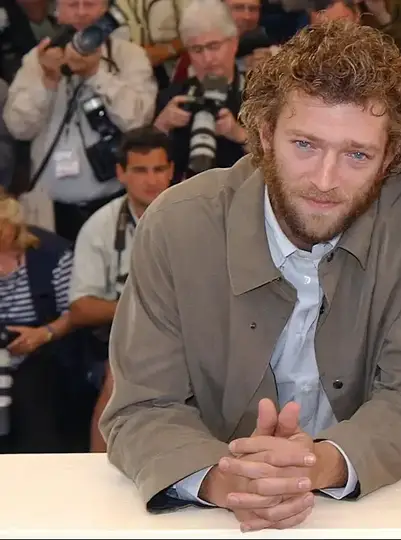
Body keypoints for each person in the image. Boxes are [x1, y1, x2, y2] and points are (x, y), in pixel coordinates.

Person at [100, 20, 401, 531]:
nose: (324, 180)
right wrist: (224, 479)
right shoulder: (177, 225)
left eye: (357, 155)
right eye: (305, 145)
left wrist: (318, 465)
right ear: (265, 134)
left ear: (388, 161)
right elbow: (141, 407)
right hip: (212, 516)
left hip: (369, 509)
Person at [2, 0, 156, 241]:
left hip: (114, 199)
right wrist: (47, 81)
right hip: (50, 208)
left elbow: (138, 121)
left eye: (90, 4)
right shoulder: (39, 58)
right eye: (73, 4)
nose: (82, 13)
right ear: (58, 12)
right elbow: (18, 127)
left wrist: (96, 74)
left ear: (105, 9)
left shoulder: (128, 55)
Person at [67, 126, 173, 453]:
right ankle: (96, 476)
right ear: (120, 173)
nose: (151, 180)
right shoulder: (99, 226)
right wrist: (142, 307)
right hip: (122, 339)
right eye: (140, 170)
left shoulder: (200, 216)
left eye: (158, 169)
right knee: (119, 373)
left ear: (171, 171)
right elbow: (81, 308)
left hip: (192, 335)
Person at [0, 189, 74, 453]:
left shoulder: (52, 252)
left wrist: (43, 334)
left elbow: (74, 313)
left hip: (42, 349)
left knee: (32, 396)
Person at [153, 0, 248, 183]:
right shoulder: (174, 97)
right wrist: (161, 126)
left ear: (234, 43)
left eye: (213, 46)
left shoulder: (258, 92)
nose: (207, 58)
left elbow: (279, 157)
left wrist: (239, 134)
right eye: (197, 50)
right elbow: (146, 162)